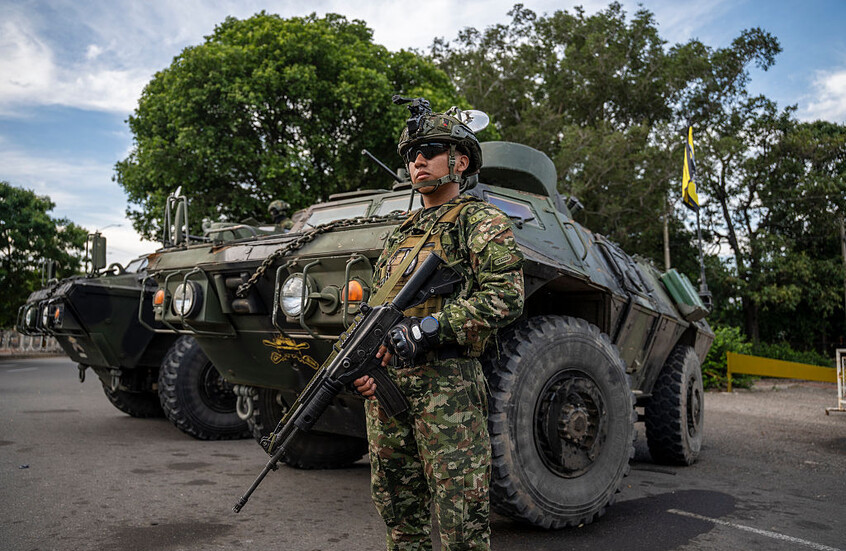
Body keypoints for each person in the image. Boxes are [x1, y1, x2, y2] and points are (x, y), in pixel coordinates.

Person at [354, 98, 524, 551]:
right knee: (399, 516)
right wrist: (367, 368)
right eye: (411, 154)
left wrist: (426, 330)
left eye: (430, 149)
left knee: (460, 522)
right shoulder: (399, 232)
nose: (418, 160)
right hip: (389, 392)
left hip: (448, 389)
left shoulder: (480, 220)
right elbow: (375, 309)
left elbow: (505, 298)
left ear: (460, 160)